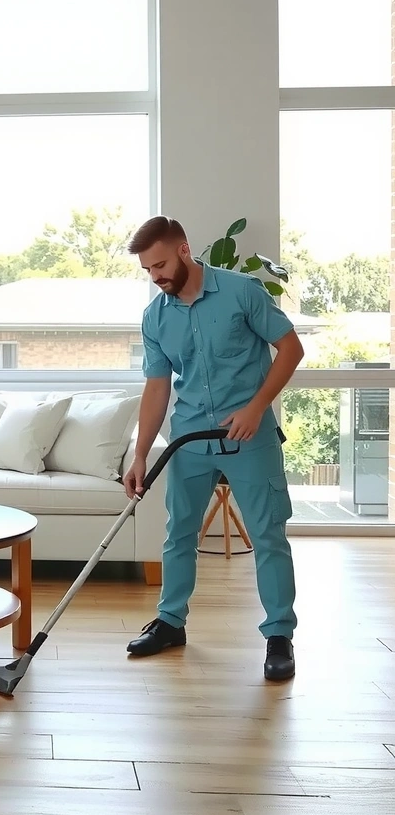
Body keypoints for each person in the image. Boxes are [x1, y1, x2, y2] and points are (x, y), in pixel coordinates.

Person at [123, 215, 304, 681]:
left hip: (250, 436)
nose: (156, 276)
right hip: (189, 440)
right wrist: (141, 454)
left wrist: (256, 408)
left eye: (160, 264)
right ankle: (170, 623)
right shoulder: (155, 317)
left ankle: (278, 636)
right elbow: (157, 389)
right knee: (178, 533)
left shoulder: (242, 292)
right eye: (147, 269)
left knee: (268, 536)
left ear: (184, 250)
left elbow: (290, 349)